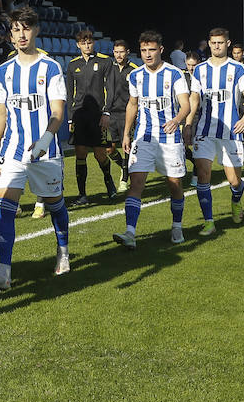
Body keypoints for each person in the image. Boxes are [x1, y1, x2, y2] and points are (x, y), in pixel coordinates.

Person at [0, 7, 69, 291]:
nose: (20, 35)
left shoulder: (50, 67)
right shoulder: (4, 71)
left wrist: (44, 140)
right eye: (15, 29)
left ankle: (63, 251)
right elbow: (0, 114)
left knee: (54, 204)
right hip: (13, 151)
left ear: (36, 30)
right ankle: (4, 273)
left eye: (26, 28)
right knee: (5, 208)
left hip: (46, 151)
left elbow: (58, 110)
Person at [111, 31, 192, 249]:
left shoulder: (174, 74)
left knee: (174, 184)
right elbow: (133, 105)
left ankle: (176, 226)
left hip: (169, 138)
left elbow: (186, 105)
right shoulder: (136, 75)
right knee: (136, 183)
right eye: (144, 50)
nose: (147, 54)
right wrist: (127, 133)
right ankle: (130, 233)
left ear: (161, 50)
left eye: (152, 50)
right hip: (143, 137)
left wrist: (177, 120)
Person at [185, 28, 244, 231]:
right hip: (205, 130)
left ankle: (236, 200)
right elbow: (194, 98)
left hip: (231, 131)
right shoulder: (199, 70)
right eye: (213, 42)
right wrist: (188, 123)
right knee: (203, 173)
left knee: (234, 181)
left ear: (228, 44)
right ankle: (209, 222)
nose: (217, 46)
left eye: (221, 42)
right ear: (209, 44)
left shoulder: (238, 68)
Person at [66, 30, 115, 204]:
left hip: (98, 115)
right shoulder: (73, 65)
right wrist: (70, 118)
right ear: (78, 45)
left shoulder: (104, 61)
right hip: (79, 116)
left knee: (100, 154)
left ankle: (109, 181)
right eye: (83, 42)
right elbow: (69, 93)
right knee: (80, 153)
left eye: (89, 42)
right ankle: (82, 194)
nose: (87, 45)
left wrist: (106, 112)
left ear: (93, 43)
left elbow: (110, 89)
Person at [103, 39, 139, 192]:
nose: (119, 55)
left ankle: (124, 178)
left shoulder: (134, 70)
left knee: (126, 147)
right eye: (116, 52)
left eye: (121, 52)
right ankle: (125, 169)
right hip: (110, 114)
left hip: (126, 114)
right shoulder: (108, 68)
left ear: (127, 52)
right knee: (109, 150)